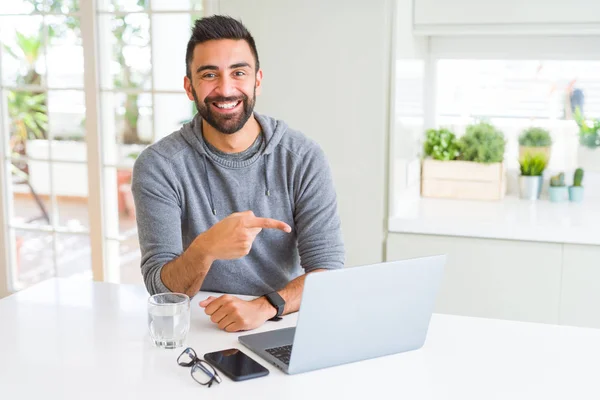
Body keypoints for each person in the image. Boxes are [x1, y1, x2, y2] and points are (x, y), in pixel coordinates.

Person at [131, 15, 345, 333]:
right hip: (200, 326)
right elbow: (163, 293)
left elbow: (328, 271)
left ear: (257, 80)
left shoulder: (302, 158)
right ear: (189, 86)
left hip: (282, 319)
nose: (226, 89)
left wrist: (265, 307)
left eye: (238, 73)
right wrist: (206, 248)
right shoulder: (160, 166)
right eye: (209, 75)